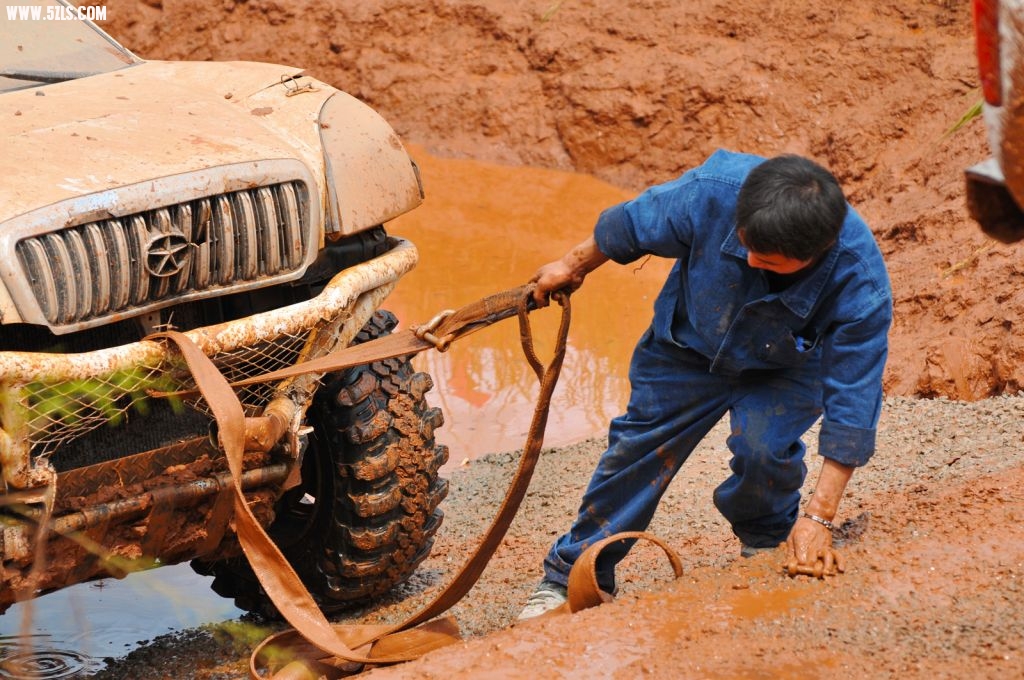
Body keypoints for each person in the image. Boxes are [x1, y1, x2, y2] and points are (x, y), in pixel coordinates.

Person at [518, 149, 892, 620]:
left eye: (769, 261)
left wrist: (819, 518)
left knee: (764, 449)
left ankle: (767, 539)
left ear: (813, 254)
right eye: (745, 245)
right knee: (637, 450)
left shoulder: (860, 284)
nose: (751, 260)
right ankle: (571, 574)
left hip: (787, 367)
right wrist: (571, 265)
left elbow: (853, 406)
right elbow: (628, 227)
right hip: (685, 345)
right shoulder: (713, 191)